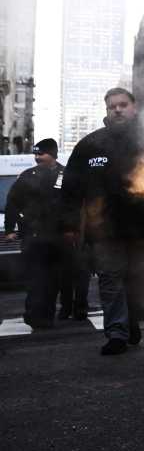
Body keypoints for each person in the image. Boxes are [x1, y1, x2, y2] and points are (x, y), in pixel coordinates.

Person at [61, 89, 144, 355]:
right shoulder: (89, 145)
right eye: (111, 106)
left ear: (133, 108)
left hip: (140, 229)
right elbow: (70, 189)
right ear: (106, 111)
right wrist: (69, 225)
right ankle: (116, 333)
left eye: (122, 105)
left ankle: (132, 319)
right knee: (110, 279)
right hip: (104, 230)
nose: (117, 110)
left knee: (138, 280)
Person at [3, 139, 73, 328]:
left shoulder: (66, 175)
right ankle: (33, 315)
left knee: (53, 280)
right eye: (35, 154)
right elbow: (12, 203)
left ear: (53, 154)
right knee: (35, 278)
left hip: (58, 238)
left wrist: (71, 229)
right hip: (33, 237)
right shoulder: (27, 176)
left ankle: (47, 316)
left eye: (41, 154)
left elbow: (74, 205)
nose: (37, 158)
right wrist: (10, 229)